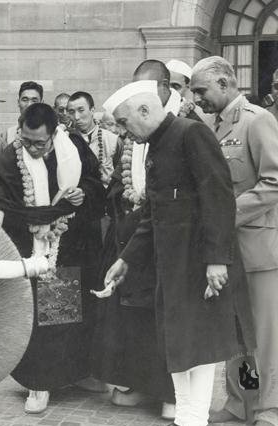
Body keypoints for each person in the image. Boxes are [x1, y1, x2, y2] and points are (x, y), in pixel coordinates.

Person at [98, 80, 256, 426]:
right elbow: (153, 215)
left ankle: (192, 418)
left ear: (144, 110)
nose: (124, 131)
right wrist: (125, 259)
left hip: (199, 265)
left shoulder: (190, 134)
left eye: (125, 122)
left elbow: (219, 199)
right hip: (170, 268)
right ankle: (186, 417)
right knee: (179, 346)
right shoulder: (155, 145)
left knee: (199, 349)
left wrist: (217, 260)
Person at [93, 59, 204, 419]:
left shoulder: (188, 127)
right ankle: (140, 381)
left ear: (164, 88)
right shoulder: (135, 127)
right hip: (138, 232)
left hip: (171, 239)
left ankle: (172, 394)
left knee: (166, 314)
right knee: (136, 314)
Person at [0, 103, 106, 414]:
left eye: (39, 142)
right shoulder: (10, 157)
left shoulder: (75, 145)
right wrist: (59, 209)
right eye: (26, 140)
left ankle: (72, 375)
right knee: (39, 317)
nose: (32, 148)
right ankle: (38, 382)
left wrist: (81, 194)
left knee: (67, 313)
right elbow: (10, 204)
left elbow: (95, 185)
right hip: (29, 245)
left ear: (54, 134)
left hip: (70, 243)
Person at [190, 56, 278, 426]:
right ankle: (240, 401)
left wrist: (226, 215)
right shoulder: (211, 127)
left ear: (225, 84)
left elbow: (274, 182)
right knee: (236, 331)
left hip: (258, 248)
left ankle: (269, 408)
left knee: (264, 333)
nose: (197, 98)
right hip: (226, 250)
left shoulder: (258, 121)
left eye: (201, 90)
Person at [67, 91, 118, 187]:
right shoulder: (66, 141)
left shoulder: (112, 140)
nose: (76, 117)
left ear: (92, 110)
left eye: (81, 110)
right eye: (71, 112)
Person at [1, 81, 44, 146]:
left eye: (34, 101)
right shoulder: (8, 134)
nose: (29, 105)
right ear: (18, 102)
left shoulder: (52, 132)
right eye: (25, 100)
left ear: (42, 103)